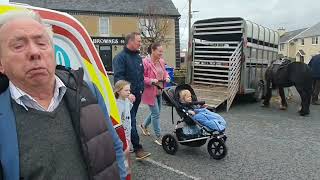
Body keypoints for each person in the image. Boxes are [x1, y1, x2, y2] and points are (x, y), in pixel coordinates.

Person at [0, 11, 126, 180]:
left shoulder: (87, 91)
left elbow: (114, 148)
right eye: (18, 46)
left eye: (41, 43)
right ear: (1, 63)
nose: (34, 52)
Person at [112, 32, 151, 159]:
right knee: (131, 121)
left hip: (137, 96)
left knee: (129, 122)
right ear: (130, 42)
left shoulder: (138, 57)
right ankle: (137, 148)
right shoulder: (120, 58)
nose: (140, 43)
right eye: (138, 41)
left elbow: (140, 75)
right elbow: (118, 78)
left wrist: (141, 90)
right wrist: (127, 94)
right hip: (126, 98)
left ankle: (124, 145)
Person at [139, 42, 170, 146]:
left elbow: (165, 72)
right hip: (149, 92)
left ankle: (143, 125)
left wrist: (167, 77)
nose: (161, 53)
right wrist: (151, 80)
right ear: (153, 50)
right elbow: (141, 77)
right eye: (159, 51)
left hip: (160, 90)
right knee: (156, 114)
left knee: (156, 113)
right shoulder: (145, 62)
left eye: (162, 51)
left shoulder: (161, 61)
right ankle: (158, 137)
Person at [114, 80, 133, 175]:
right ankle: (123, 171)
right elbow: (118, 120)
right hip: (122, 133)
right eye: (126, 90)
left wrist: (130, 101)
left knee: (127, 150)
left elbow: (128, 110)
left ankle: (127, 170)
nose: (129, 92)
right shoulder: (117, 104)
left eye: (129, 90)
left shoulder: (126, 100)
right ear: (118, 91)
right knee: (124, 151)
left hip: (128, 130)